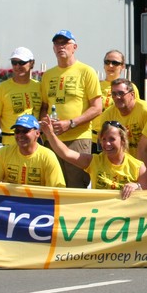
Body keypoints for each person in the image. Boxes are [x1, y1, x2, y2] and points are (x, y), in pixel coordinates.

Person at [40, 30, 102, 188]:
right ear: (53, 48)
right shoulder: (47, 75)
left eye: (65, 43)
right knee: (54, 185)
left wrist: (71, 123)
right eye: (57, 43)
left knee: (76, 186)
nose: (60, 46)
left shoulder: (86, 71)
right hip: (53, 139)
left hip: (78, 138)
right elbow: (44, 106)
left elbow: (97, 108)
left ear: (74, 47)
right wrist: (46, 127)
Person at [41, 117, 147, 199]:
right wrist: (50, 133)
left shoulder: (138, 167)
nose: (107, 144)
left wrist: (137, 186)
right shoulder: (94, 161)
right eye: (104, 139)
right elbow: (66, 153)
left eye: (112, 139)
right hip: (100, 215)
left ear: (123, 141)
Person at [0, 115, 65, 187]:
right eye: (17, 131)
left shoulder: (48, 156)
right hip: (11, 199)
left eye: (25, 131)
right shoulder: (3, 153)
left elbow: (57, 189)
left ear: (37, 133)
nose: (20, 135)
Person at [0, 47, 42, 146]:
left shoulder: (39, 87)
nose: (17, 66)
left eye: (22, 62)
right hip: (10, 142)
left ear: (32, 63)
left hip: (35, 143)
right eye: (14, 62)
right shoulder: (1, 89)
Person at [94, 50, 140, 148]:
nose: (110, 66)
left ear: (122, 66)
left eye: (115, 63)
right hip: (95, 137)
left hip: (117, 138)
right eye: (107, 62)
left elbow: (135, 112)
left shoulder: (130, 87)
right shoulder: (96, 86)